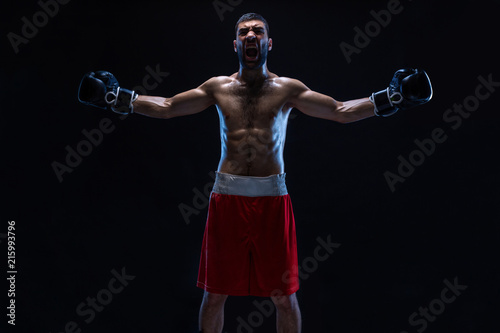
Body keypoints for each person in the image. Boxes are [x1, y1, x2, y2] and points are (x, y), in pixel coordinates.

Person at [78, 12, 432, 333]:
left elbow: (340, 111)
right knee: (215, 294)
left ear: (268, 42)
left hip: (272, 201)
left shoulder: (287, 90)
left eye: (258, 31)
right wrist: (117, 98)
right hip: (227, 198)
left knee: (284, 296)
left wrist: (392, 98)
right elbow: (168, 107)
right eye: (244, 32)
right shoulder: (217, 87)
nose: (251, 36)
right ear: (235, 43)